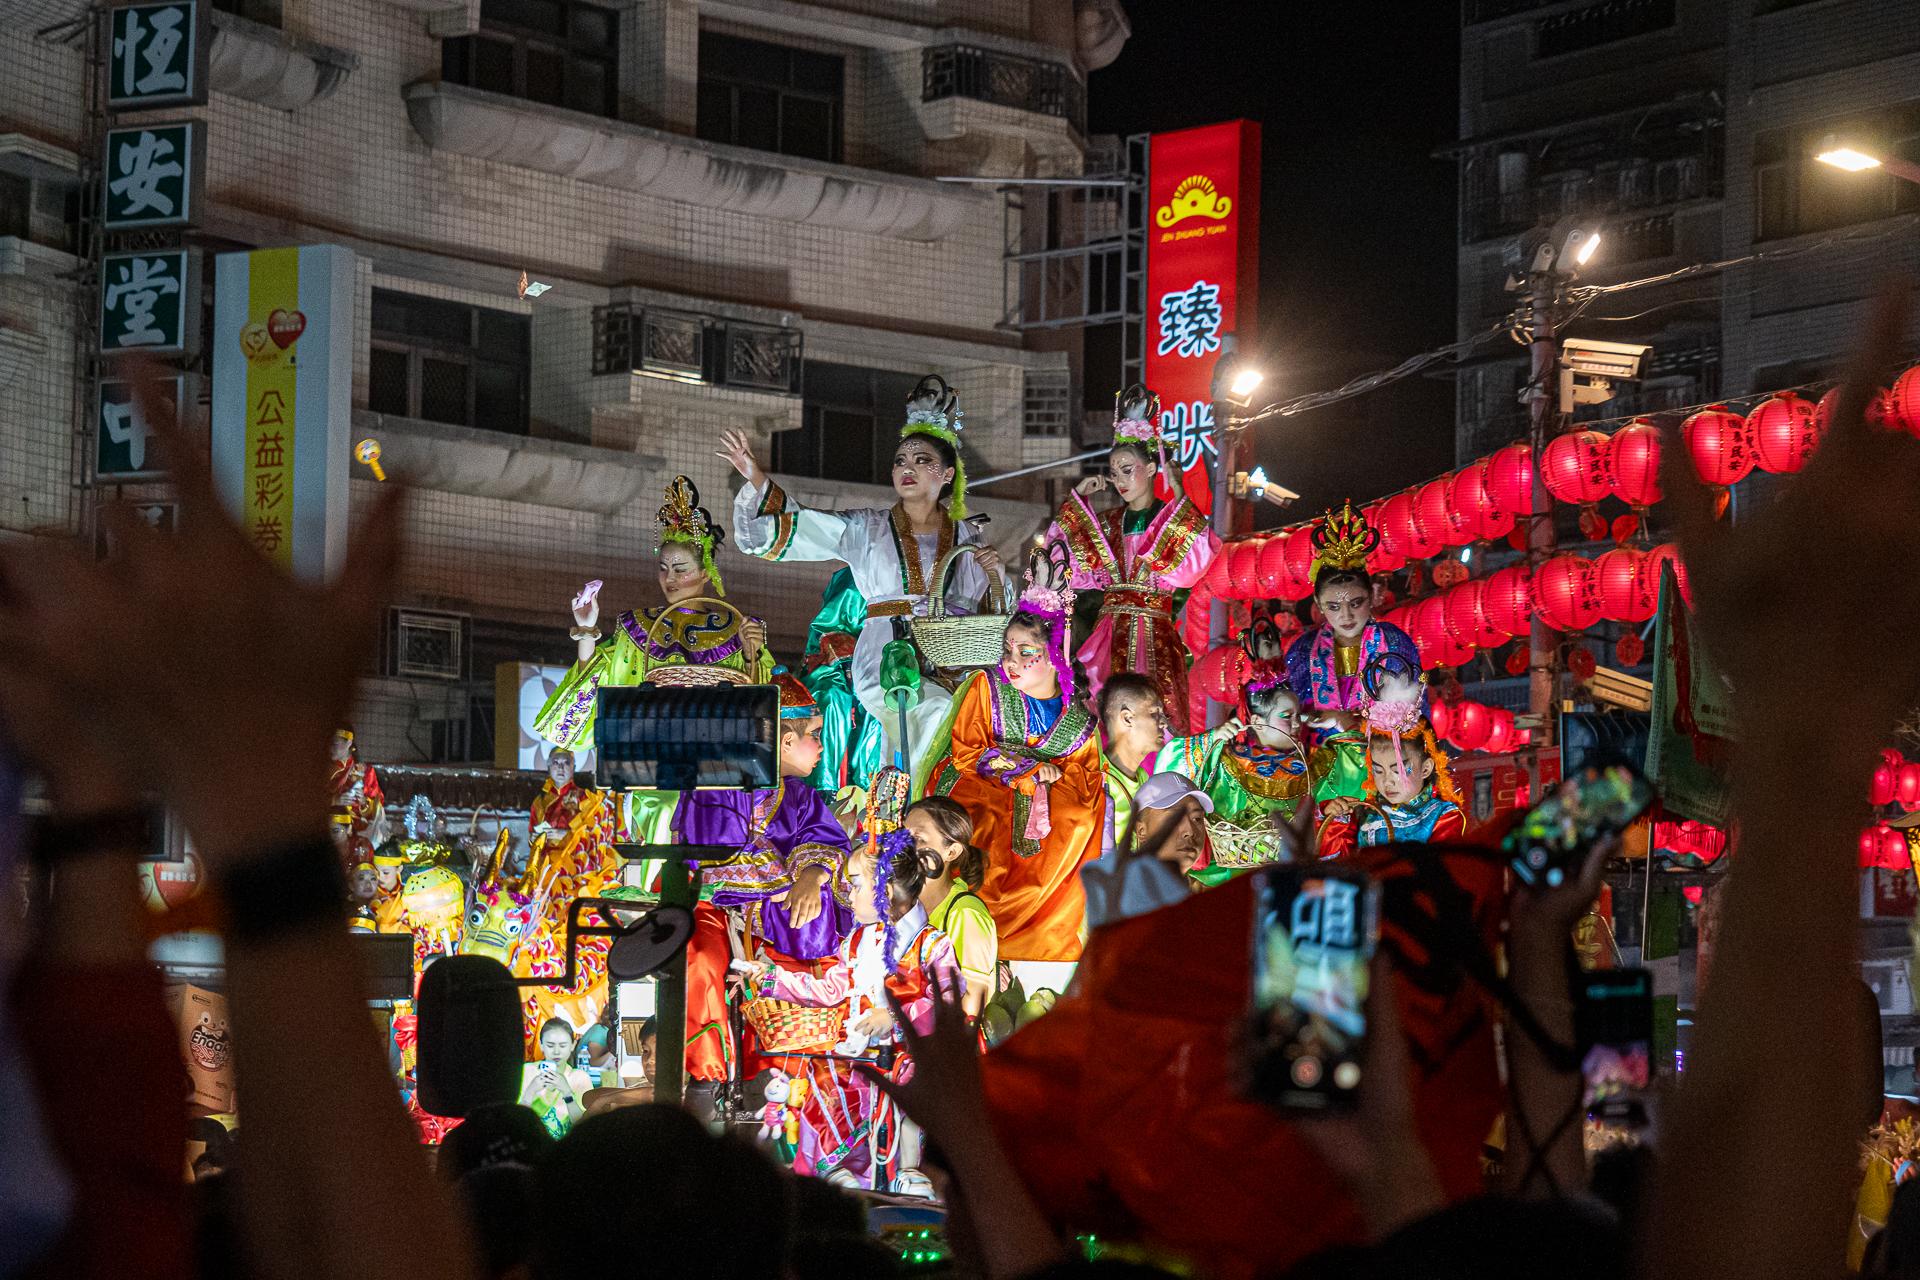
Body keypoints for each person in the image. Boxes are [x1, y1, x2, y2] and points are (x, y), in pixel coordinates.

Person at [721, 374, 1002, 767]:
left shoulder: (968, 535)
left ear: (947, 475)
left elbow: (990, 609)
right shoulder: (866, 528)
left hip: (949, 659)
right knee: (936, 717)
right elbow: (798, 526)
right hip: (887, 654)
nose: (908, 468)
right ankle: (919, 807)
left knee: (909, 753)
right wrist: (756, 478)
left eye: (923, 461)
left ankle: (898, 818)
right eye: (901, 461)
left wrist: (997, 572)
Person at [919, 560, 1105, 993]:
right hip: (983, 786)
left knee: (1077, 819)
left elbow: (1088, 777)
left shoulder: (1079, 719)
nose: (1013, 662)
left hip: (1048, 805)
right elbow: (967, 750)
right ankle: (974, 931)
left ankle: (1034, 944)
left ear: (1055, 652)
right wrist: (1022, 771)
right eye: (1008, 650)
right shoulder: (988, 687)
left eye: (1027, 652)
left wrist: (1048, 786)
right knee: (982, 818)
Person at [742, 832, 962, 1193]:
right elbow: (830, 989)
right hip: (858, 1053)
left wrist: (894, 1018)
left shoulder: (932, 945)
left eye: (855, 885)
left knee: (907, 1090)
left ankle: (908, 1170)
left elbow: (948, 1002)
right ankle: (838, 1171)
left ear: (885, 893)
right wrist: (771, 978)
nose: (848, 893)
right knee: (827, 1080)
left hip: (909, 1057)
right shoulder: (857, 943)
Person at [670, 672, 854, 1085]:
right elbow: (710, 860)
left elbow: (828, 840)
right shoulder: (713, 783)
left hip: (779, 920)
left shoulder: (802, 796)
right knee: (701, 962)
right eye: (816, 735)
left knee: (815, 927)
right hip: (717, 909)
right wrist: (777, 884)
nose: (823, 747)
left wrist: (812, 874)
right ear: (786, 743)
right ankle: (707, 1077)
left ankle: (796, 1065)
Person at [535, 475, 773, 751]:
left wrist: (749, 654)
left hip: (712, 770)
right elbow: (599, 690)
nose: (669, 578)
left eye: (680, 569)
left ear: (705, 574)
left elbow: (764, 713)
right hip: (649, 767)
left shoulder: (735, 630)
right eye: (663, 567)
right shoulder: (638, 627)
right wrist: (587, 631)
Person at [1048, 385, 1220, 731]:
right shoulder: (1109, 523)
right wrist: (1076, 501)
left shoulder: (1170, 517)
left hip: (1155, 631)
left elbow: (1190, 569)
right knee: (1103, 712)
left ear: (1153, 467)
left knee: (1158, 715)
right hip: (1108, 634)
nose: (1120, 480)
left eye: (1128, 469)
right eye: (1114, 473)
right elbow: (1066, 565)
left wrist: (1180, 492)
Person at [1283, 503, 1423, 806]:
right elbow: (1291, 718)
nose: (1346, 615)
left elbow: (1410, 719)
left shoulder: (1393, 644)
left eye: (1356, 603)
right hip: (1322, 781)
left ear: (1372, 597)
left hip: (1384, 777)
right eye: (1333, 607)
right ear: (1319, 605)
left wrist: (1349, 722)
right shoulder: (1303, 651)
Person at [1157, 678, 1313, 885]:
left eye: (1298, 716)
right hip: (1226, 877)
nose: (1296, 724)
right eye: (1286, 716)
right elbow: (1172, 765)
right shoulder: (1226, 759)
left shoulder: (1304, 764)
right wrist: (1212, 738)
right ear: (1257, 722)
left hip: (1285, 873)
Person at [906, 795, 999, 1018]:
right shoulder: (903, 906)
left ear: (952, 852)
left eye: (918, 839)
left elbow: (971, 1005)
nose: (904, 848)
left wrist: (898, 1012)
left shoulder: (965, 913)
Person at [1082, 772, 1210, 930]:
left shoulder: (1211, 900)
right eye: (1175, 817)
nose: (1189, 831)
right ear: (1141, 830)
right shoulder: (1113, 892)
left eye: (1197, 819)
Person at [1317, 726, 1467, 858]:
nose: (1387, 781)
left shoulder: (1443, 816)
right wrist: (1334, 823)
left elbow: (1443, 870)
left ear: (1425, 769)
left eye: (1397, 771)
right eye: (1378, 770)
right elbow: (1339, 866)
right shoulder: (1364, 812)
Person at [802, 566, 886, 798]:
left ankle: (868, 790)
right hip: (838, 670)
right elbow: (829, 632)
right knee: (833, 700)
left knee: (879, 706)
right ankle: (824, 789)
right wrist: (854, 663)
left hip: (884, 670)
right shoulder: (856, 579)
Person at [1097, 673, 1170, 860]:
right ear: (1127, 718)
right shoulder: (1095, 778)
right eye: (1154, 713)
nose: (1164, 722)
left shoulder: (1143, 778)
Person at [519, 1017, 595, 1138]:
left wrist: (567, 1093)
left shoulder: (579, 1077)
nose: (556, 1051)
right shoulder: (527, 1071)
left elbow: (585, 1127)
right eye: (550, 1045)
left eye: (563, 1045)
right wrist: (531, 1091)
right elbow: (515, 1122)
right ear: (541, 1045)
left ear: (572, 1045)